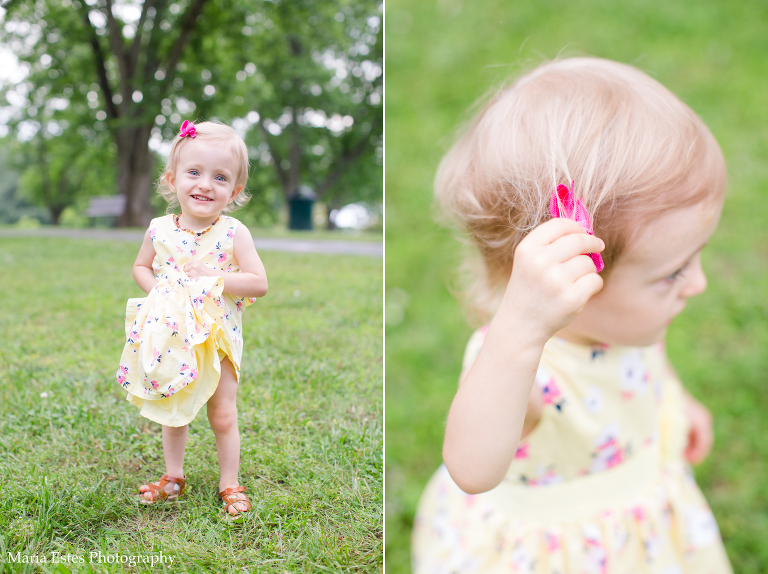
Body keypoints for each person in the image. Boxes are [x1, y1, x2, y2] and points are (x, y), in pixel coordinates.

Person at [412, 58, 733, 572]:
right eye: (673, 272)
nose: (698, 283)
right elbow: (471, 469)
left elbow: (650, 350)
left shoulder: (631, 324)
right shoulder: (524, 367)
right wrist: (517, 334)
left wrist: (677, 398)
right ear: (575, 281)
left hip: (642, 530)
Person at [116, 120, 268, 520]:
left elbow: (259, 283)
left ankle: (230, 482)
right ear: (173, 178)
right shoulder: (159, 229)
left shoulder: (234, 233)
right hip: (173, 336)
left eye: (220, 177)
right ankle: (174, 477)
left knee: (223, 412)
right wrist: (159, 293)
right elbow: (140, 266)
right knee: (174, 405)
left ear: (234, 191)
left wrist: (215, 278)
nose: (205, 184)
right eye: (194, 172)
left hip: (217, 339)